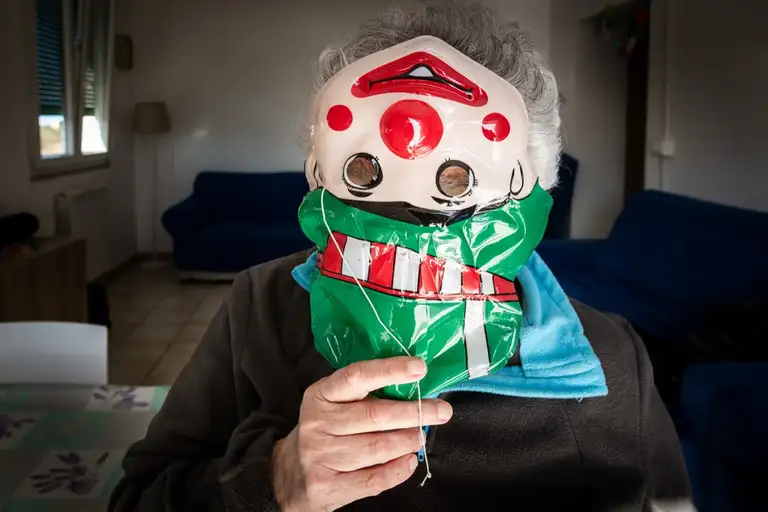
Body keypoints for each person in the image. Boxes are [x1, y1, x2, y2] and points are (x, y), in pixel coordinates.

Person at [110, 3, 692, 511]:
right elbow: (138, 496)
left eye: (456, 181)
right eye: (366, 174)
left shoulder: (612, 363)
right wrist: (273, 479)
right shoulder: (260, 309)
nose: (412, 219)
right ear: (319, 175)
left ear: (533, 185)